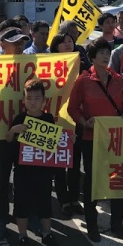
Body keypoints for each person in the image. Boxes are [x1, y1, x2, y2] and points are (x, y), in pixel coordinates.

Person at [68, 38, 123, 242]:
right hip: (91, 139)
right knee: (92, 183)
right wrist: (84, 122)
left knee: (117, 180)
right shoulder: (84, 80)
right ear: (92, 58)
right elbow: (72, 108)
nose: (105, 56)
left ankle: (117, 224)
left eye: (107, 52)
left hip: (116, 139)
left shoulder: (119, 79)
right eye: (101, 53)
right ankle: (92, 224)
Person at [6, 78, 64, 246]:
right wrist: (13, 130)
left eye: (37, 98)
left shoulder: (48, 118)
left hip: (44, 172)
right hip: (22, 172)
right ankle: (22, 236)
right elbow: (8, 139)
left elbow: (55, 143)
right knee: (21, 205)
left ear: (44, 101)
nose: (33, 102)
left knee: (45, 204)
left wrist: (67, 141)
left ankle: (47, 234)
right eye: (29, 98)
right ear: (24, 100)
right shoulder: (20, 118)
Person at [0, 22, 30, 240]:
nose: (19, 48)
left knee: (26, 176)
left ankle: (25, 214)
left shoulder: (30, 63)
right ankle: (0, 218)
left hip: (27, 128)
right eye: (15, 44)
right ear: (3, 44)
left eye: (22, 43)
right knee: (1, 179)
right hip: (0, 131)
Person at [49, 33, 84, 218]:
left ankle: (74, 199)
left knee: (74, 163)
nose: (68, 43)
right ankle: (63, 201)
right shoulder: (47, 65)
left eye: (70, 40)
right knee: (59, 164)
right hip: (55, 121)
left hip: (75, 119)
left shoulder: (80, 63)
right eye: (63, 42)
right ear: (56, 46)